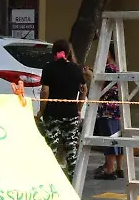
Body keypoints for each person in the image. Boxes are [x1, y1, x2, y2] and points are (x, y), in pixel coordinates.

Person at [36, 39, 87, 180]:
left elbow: (45, 91)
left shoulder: (48, 68)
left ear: (53, 52)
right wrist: (79, 108)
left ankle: (49, 179)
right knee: (71, 148)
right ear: (69, 52)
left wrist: (41, 110)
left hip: (52, 114)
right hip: (71, 113)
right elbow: (84, 90)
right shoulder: (76, 69)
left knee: (51, 147)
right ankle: (73, 179)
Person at [93, 47, 125, 180]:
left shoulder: (108, 69)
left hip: (107, 109)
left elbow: (98, 84)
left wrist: (90, 74)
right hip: (117, 109)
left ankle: (109, 169)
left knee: (109, 138)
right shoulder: (119, 68)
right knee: (118, 138)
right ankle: (119, 167)